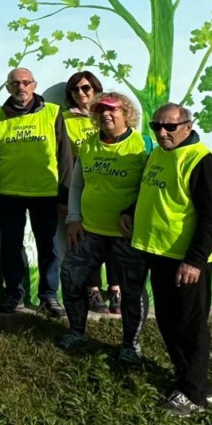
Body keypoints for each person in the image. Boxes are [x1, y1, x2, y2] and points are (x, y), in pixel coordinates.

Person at [120, 103, 212, 417]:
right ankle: (185, 379)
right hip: (158, 253)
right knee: (168, 322)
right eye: (156, 126)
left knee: (190, 326)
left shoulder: (202, 161)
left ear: (187, 127)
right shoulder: (158, 153)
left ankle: (197, 395)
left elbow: (210, 221)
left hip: (185, 261)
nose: (161, 133)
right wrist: (129, 211)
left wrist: (194, 261)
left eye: (169, 127)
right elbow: (151, 192)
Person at [57, 92, 147, 352]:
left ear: (125, 112)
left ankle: (131, 345)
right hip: (90, 232)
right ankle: (77, 332)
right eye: (100, 110)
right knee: (71, 278)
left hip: (126, 235)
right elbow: (76, 185)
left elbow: (149, 188)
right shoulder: (89, 145)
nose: (105, 114)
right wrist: (73, 219)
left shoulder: (143, 145)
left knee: (132, 290)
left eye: (112, 109)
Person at [0, 67, 72, 317]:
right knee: (11, 246)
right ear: (8, 87)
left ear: (34, 85)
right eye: (14, 83)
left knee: (48, 247)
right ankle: (14, 293)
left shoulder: (53, 113)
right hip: (8, 193)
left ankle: (48, 297)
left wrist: (64, 196)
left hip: (45, 192)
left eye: (25, 82)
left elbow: (64, 156)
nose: (20, 88)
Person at [63, 71, 119, 314]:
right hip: (83, 185)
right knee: (87, 240)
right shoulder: (64, 119)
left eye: (86, 88)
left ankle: (116, 289)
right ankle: (93, 289)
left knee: (117, 238)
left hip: (114, 185)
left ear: (96, 89)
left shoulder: (111, 113)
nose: (81, 93)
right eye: (75, 90)